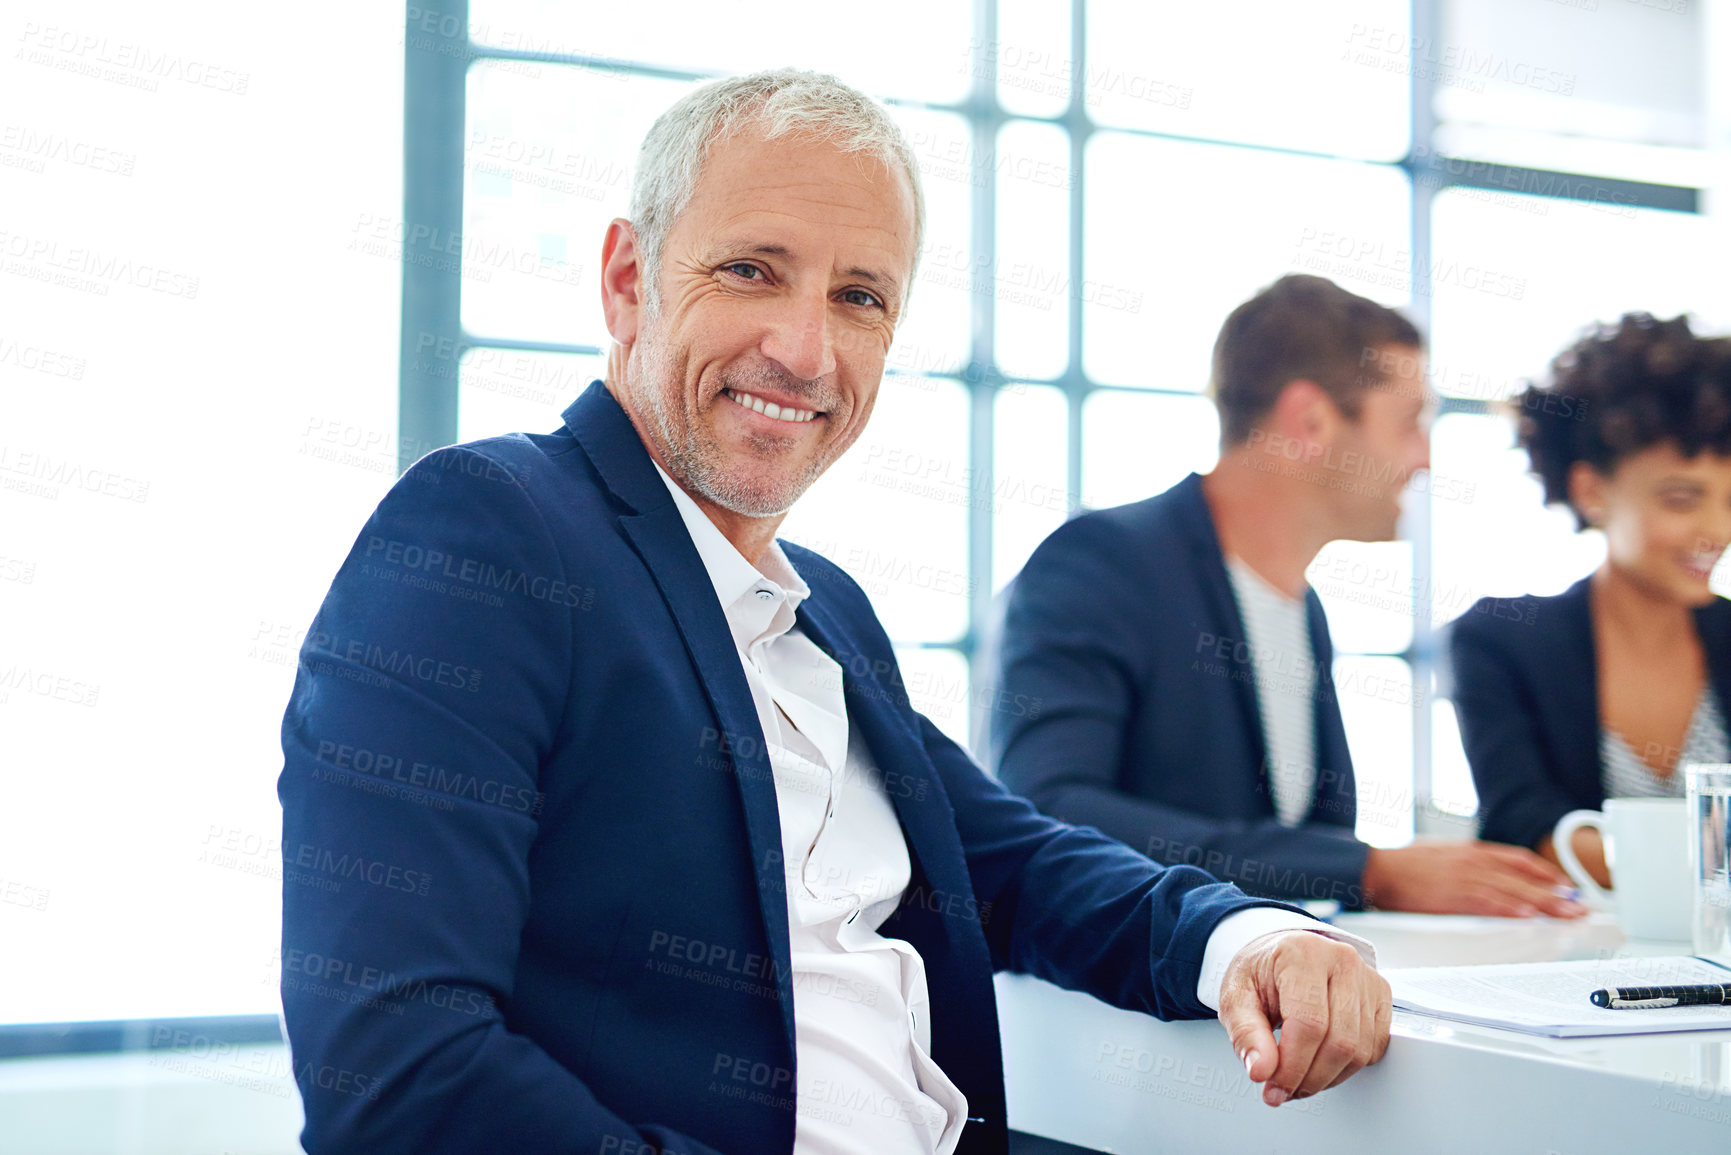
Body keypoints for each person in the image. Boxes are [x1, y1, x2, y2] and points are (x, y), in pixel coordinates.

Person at [277, 71, 1390, 1155]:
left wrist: (1248, 938)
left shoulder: (825, 611)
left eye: (859, 297)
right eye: (752, 270)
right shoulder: (489, 536)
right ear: (627, 282)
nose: (805, 352)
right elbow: (398, 1074)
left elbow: (1014, 864)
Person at [992, 274, 1584, 918]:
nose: (1425, 460)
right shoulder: (1102, 561)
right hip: (1113, 1010)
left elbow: (1294, 849)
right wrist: (1369, 870)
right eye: (1411, 422)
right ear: (1310, 421)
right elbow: (1050, 806)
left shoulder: (1304, 609)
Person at [1451, 313, 1731, 887]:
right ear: (1590, 491)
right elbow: (1524, 826)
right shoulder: (1501, 639)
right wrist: (1703, 866)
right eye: (1682, 499)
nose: (1716, 529)